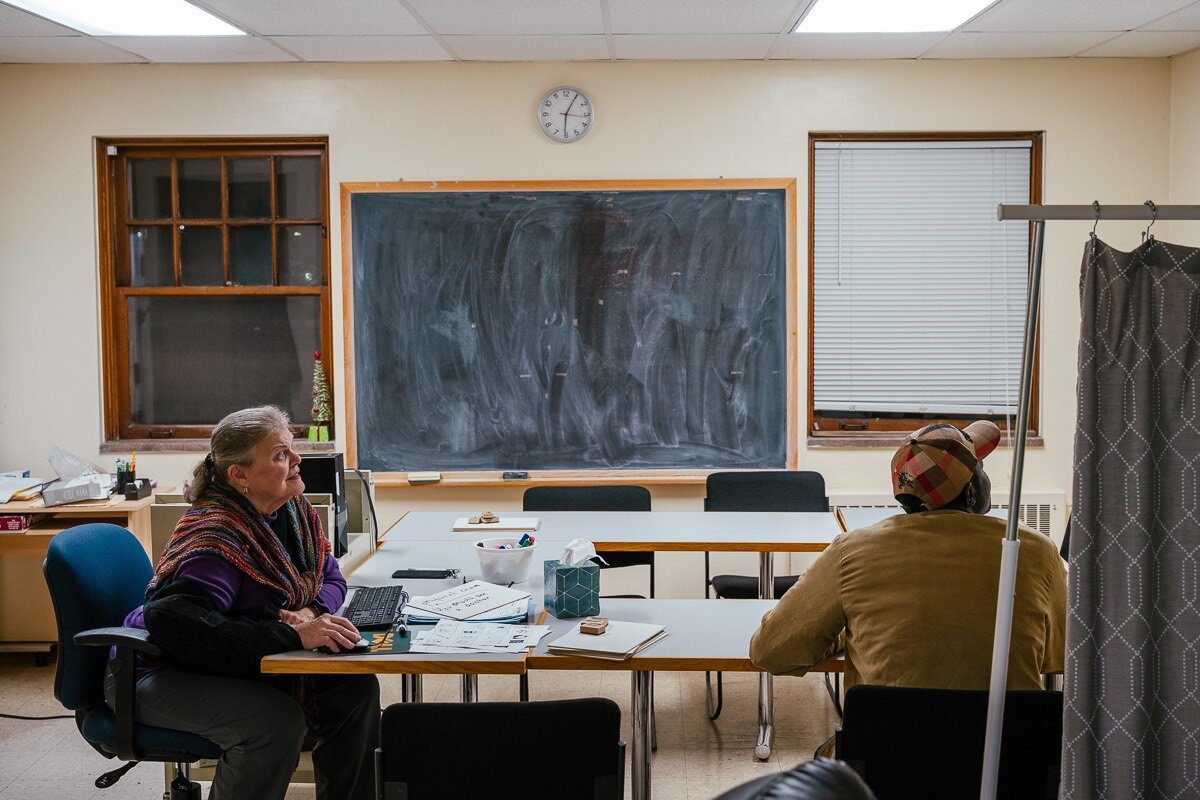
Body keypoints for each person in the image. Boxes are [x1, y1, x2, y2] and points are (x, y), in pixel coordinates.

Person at [105, 406, 379, 800]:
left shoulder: (291, 511)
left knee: (354, 692)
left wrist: (312, 611)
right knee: (274, 723)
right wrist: (291, 634)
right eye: (280, 455)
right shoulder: (216, 539)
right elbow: (174, 622)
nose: (298, 461)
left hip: (222, 660)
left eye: (292, 449)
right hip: (154, 671)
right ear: (240, 475)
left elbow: (331, 576)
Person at [749, 420, 1066, 692]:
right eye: (980, 468)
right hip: (1007, 760)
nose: (986, 477)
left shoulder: (852, 553)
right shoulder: (1035, 551)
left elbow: (771, 651)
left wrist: (853, 629)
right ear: (971, 493)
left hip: (884, 761)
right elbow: (1061, 655)